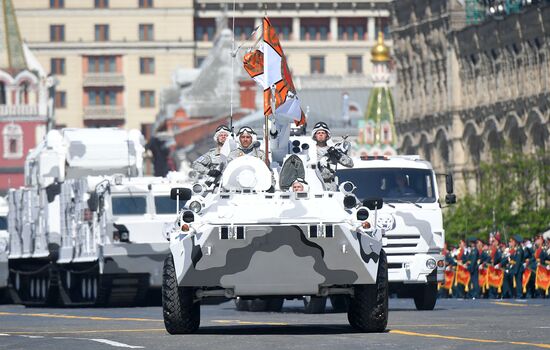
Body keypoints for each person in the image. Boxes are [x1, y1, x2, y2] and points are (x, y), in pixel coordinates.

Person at [311, 121, 353, 191]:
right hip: (314, 187)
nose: (320, 135)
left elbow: (350, 163)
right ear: (314, 135)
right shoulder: (310, 150)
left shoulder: (333, 150)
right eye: (318, 133)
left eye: (323, 133)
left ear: (327, 135)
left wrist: (337, 153)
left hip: (330, 187)